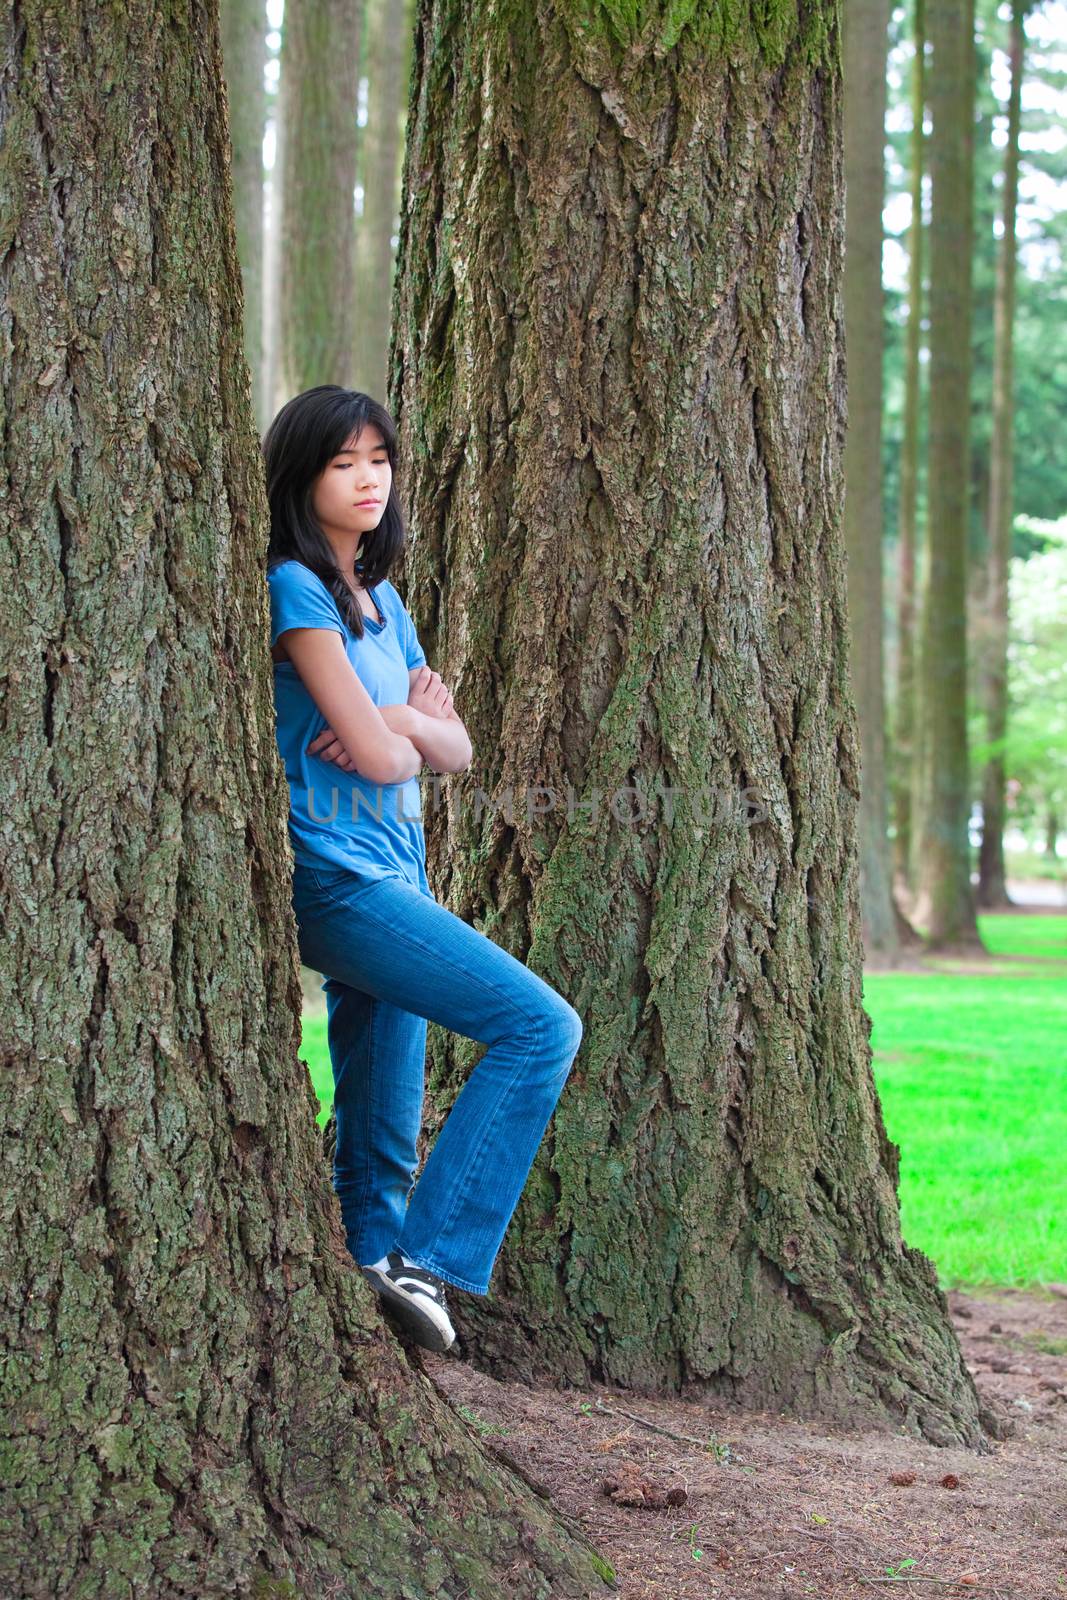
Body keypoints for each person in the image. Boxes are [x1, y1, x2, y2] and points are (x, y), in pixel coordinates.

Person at [262, 386, 583, 1353]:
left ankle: (375, 1269)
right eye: (341, 462)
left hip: (396, 871)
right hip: (333, 875)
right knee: (539, 1025)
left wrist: (400, 723)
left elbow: (455, 750)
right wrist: (407, 728)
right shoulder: (297, 588)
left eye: (378, 459)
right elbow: (407, 753)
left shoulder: (384, 600)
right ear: (302, 478)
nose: (367, 479)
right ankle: (432, 1262)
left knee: (382, 1112)